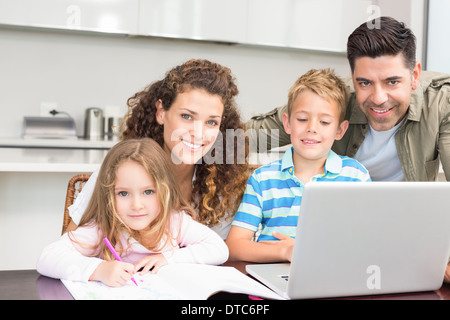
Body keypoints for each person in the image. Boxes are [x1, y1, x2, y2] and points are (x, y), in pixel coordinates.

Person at [247, 16, 450, 182]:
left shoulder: (441, 103)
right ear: (352, 79)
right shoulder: (331, 100)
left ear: (414, 75)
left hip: (407, 221)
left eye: (392, 82)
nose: (379, 98)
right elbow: (235, 140)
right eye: (365, 83)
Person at [67, 59, 250, 239]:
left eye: (211, 122)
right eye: (186, 116)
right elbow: (69, 247)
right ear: (161, 113)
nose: (198, 133)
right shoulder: (118, 171)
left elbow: (219, 254)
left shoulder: (222, 185)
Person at [37, 138, 229, 287]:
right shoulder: (103, 227)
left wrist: (167, 258)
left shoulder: (174, 222)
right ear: (108, 195)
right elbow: (47, 257)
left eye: (148, 192)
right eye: (123, 193)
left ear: (165, 191)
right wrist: (100, 270)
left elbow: (219, 249)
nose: (137, 205)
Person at [226, 69, 371, 263]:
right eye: (302, 119)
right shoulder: (263, 179)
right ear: (287, 123)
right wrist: (285, 252)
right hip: (271, 278)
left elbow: (367, 241)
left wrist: (311, 253)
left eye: (325, 122)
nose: (312, 128)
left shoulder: (356, 176)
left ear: (340, 130)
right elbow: (234, 246)